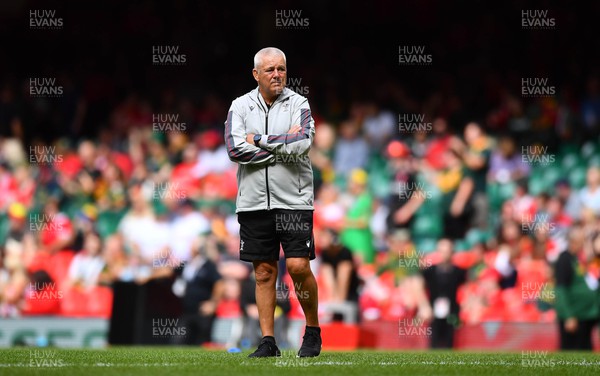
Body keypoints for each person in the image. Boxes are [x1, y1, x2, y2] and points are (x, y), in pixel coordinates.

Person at [224, 47, 321, 357]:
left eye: (281, 68)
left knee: (297, 265)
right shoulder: (239, 106)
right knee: (263, 271)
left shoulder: (299, 103)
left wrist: (259, 139)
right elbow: (234, 150)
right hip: (253, 203)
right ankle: (268, 342)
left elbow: (303, 142)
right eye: (270, 70)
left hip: (294, 200)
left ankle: (313, 330)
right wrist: (282, 144)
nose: (277, 74)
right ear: (256, 74)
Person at [554, 227, 600, 350]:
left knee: (586, 351)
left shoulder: (579, 259)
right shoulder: (565, 259)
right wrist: (569, 315)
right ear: (574, 241)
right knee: (571, 352)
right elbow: (561, 289)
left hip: (586, 315)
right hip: (574, 315)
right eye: (583, 240)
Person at [422, 239, 467, 348]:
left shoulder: (460, 272)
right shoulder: (430, 271)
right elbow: (418, 285)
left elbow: (466, 290)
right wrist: (423, 305)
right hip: (433, 311)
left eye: (447, 251)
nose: (444, 254)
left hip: (453, 312)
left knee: (450, 342)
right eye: (441, 251)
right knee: (433, 343)